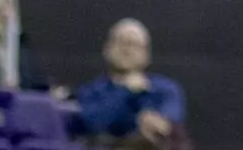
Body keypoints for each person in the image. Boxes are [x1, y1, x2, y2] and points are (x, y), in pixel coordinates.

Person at [71, 20, 186, 149]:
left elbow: (170, 121)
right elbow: (93, 123)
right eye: (121, 43)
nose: (127, 50)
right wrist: (126, 91)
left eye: (135, 45)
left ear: (147, 55)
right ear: (106, 49)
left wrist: (153, 122)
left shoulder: (165, 89)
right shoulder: (92, 91)